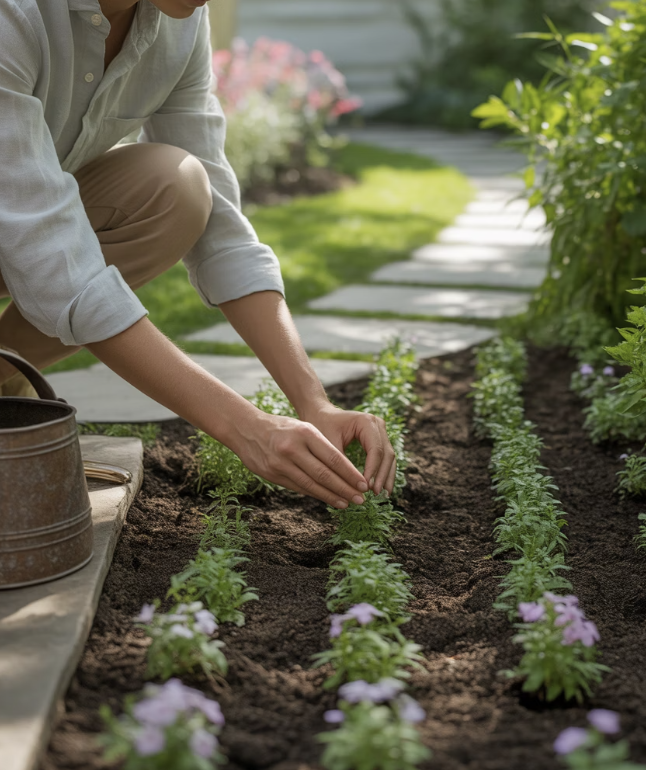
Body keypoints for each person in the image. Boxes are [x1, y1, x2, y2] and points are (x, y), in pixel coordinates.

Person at [0, 0, 397, 509]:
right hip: (20, 227)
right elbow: (57, 262)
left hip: (19, 221)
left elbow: (221, 228)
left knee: (178, 188)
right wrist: (244, 426)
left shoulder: (177, 18)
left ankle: (3, 371)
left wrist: (312, 402)